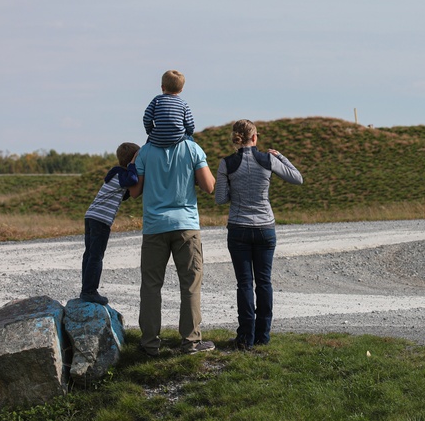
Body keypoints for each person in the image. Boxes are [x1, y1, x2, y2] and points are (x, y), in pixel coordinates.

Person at [215, 120, 303, 350]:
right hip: (265, 228)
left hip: (238, 228)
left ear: (235, 137)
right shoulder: (268, 159)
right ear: (255, 137)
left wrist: (236, 189)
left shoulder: (226, 163)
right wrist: (281, 156)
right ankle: (263, 336)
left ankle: (246, 337)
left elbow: (220, 198)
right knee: (264, 282)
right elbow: (297, 178)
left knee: (244, 284)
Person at [128, 136, 216, 356]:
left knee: (150, 286)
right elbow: (209, 187)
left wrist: (133, 164)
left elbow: (134, 191)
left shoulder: (146, 152)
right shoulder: (193, 148)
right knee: (190, 285)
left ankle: (149, 344)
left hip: (154, 226)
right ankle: (191, 343)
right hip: (186, 225)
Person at [81, 142, 140, 305]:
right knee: (96, 256)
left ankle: (85, 289)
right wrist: (133, 165)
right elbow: (133, 179)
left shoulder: (116, 173)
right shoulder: (123, 174)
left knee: (89, 254)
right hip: (101, 220)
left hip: (91, 216)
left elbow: (123, 194)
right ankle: (89, 291)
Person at [142, 69, 195, 147]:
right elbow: (190, 124)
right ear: (181, 90)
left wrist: (150, 131)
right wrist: (189, 133)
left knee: (147, 144)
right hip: (178, 138)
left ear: (162, 87)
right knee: (191, 140)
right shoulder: (183, 104)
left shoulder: (156, 100)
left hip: (157, 138)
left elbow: (147, 118)